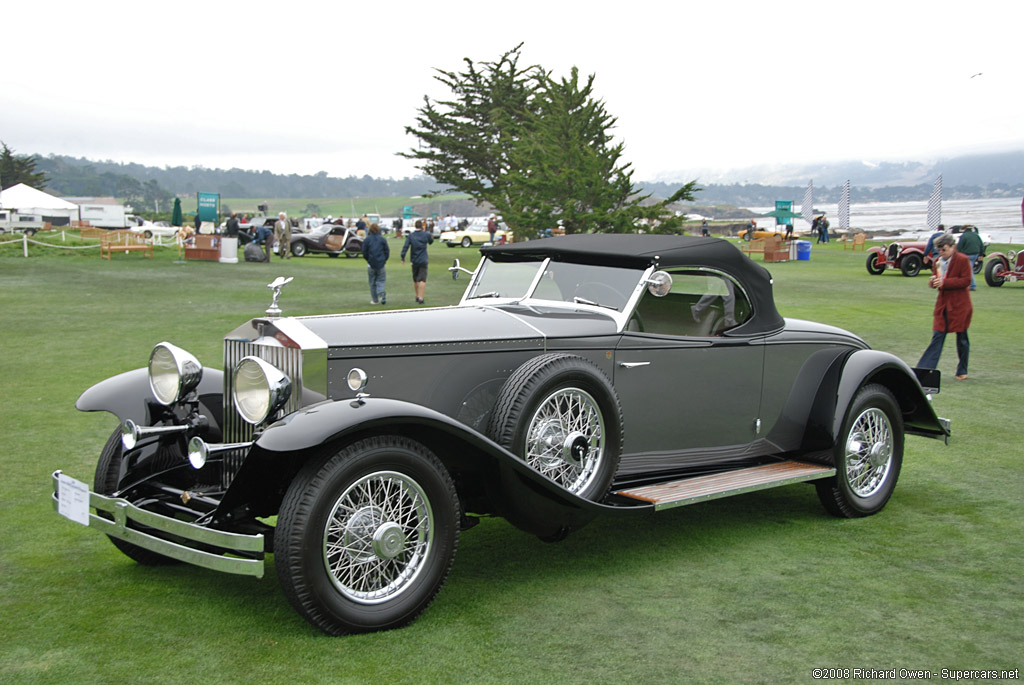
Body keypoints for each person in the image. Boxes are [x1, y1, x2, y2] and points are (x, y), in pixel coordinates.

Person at [917, 234, 972, 381]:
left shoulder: (963, 259)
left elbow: (966, 281)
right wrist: (933, 282)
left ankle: (962, 370)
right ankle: (924, 370)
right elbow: (935, 279)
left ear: (953, 247)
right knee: (937, 336)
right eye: (939, 250)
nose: (941, 252)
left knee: (962, 338)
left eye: (944, 249)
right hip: (943, 306)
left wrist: (945, 283)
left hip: (960, 306)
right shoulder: (938, 261)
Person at [401, 222, 434, 304]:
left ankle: (417, 295)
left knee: (415, 279)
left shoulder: (411, 236)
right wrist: (426, 232)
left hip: (414, 259)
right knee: (422, 279)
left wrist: (403, 257)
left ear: (415, 226)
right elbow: (431, 241)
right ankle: (421, 298)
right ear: (422, 226)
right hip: (423, 259)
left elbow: (406, 246)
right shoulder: (425, 234)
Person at [362, 223, 390, 305]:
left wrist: (368, 260)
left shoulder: (367, 240)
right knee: (381, 280)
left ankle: (375, 299)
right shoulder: (382, 239)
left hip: (371, 263)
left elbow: (364, 252)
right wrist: (384, 260)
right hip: (381, 263)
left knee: (372, 282)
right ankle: (381, 293)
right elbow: (387, 251)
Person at [957, 226, 983, 291]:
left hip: (967, 254)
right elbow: (981, 245)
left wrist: (958, 254)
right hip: (976, 254)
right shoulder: (976, 235)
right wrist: (981, 254)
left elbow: (959, 246)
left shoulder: (963, 236)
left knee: (969, 270)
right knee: (969, 269)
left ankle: (972, 285)